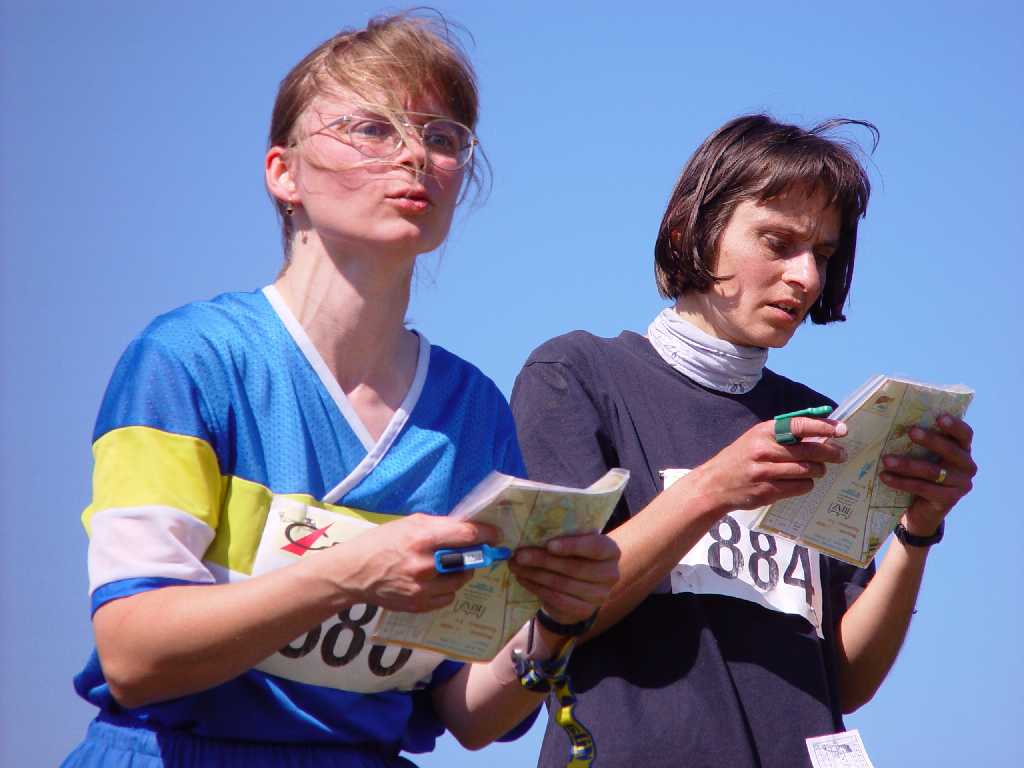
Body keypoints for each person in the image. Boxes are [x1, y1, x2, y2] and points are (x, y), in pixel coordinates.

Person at [63, 12, 619, 768]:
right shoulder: (187, 360)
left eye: (443, 136)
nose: (415, 156)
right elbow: (132, 652)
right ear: (282, 172)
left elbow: (468, 711)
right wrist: (352, 573)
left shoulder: (474, 410)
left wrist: (557, 621)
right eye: (372, 128)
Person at [510, 114, 977, 768]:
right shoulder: (577, 375)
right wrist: (711, 490)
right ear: (690, 232)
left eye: (823, 253)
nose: (806, 277)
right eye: (778, 241)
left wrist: (915, 530)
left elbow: (844, 681)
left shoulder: (816, 417)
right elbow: (562, 611)